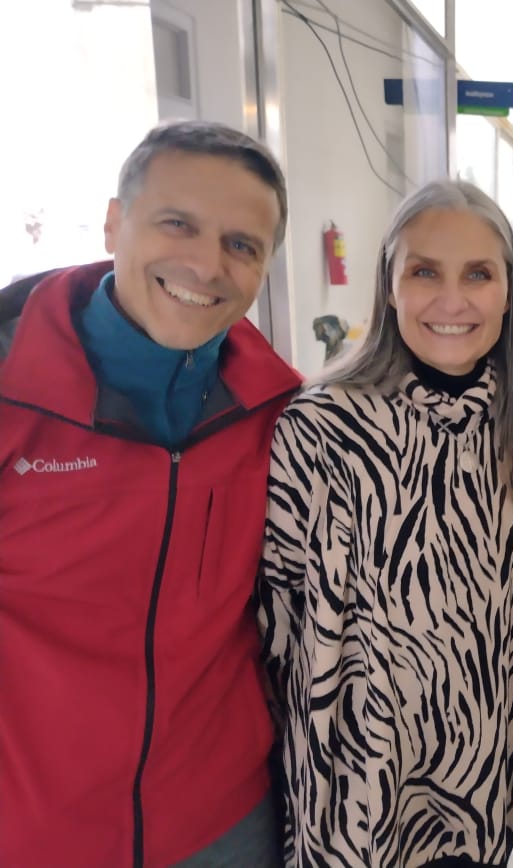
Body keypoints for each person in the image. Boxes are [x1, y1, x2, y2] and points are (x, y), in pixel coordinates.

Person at [259, 179, 513, 867]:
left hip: (481, 776)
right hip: (359, 782)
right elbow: (278, 617)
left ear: (510, 290)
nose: (452, 300)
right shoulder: (322, 429)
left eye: (478, 274)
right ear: (388, 285)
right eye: (424, 272)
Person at [0, 121, 299, 866]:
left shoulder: (281, 415)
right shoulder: (13, 392)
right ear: (113, 223)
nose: (206, 264)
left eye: (241, 244)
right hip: (38, 833)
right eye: (178, 224)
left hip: (226, 821)